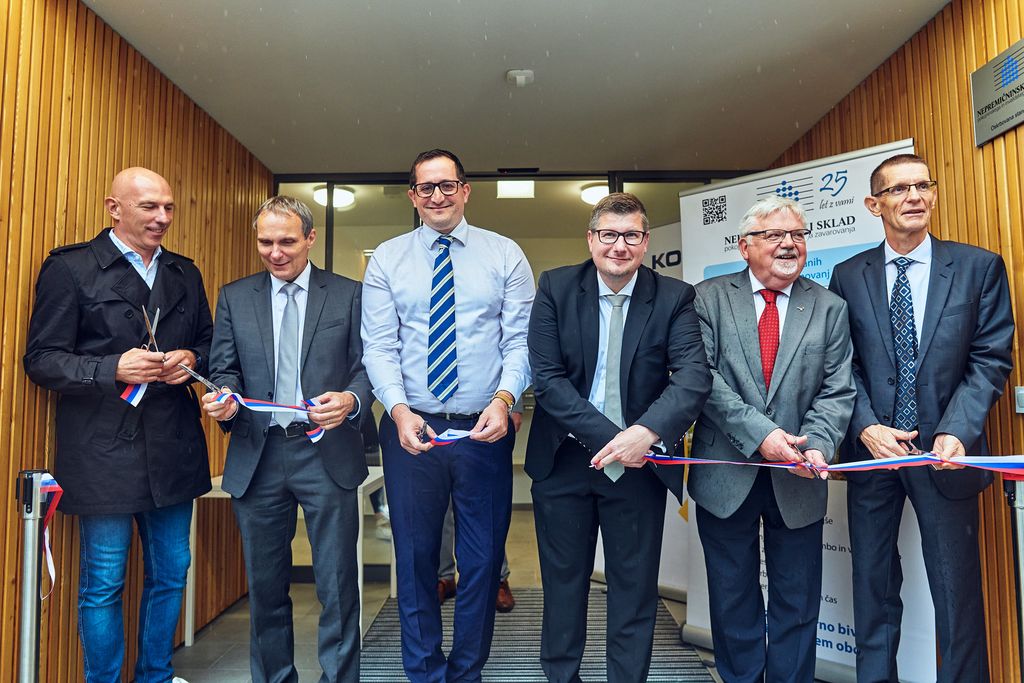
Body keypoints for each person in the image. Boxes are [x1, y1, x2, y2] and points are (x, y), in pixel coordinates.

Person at [829, 154, 1014, 683]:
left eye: (923, 186)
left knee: (956, 594)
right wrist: (866, 427)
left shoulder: (978, 267)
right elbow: (842, 365)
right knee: (873, 588)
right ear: (874, 204)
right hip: (873, 456)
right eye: (899, 189)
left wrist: (956, 430)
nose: (914, 196)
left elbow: (990, 358)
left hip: (946, 455)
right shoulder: (849, 275)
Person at [24, 167, 212, 683]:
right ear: (114, 208)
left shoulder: (184, 272)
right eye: (149, 206)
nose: (162, 217)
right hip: (102, 451)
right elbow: (42, 360)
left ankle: (156, 675)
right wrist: (112, 368)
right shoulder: (70, 268)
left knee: (172, 572)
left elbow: (209, 344)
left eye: (168, 207)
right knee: (104, 582)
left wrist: (190, 358)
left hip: (173, 447)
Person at [361, 149, 534, 681]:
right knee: (415, 557)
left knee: (482, 560)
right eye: (426, 187)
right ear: (413, 196)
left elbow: (521, 342)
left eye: (447, 185)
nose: (437, 196)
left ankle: (466, 670)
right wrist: (397, 410)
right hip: (411, 428)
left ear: (465, 190)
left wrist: (504, 401)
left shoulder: (504, 254)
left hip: (484, 429)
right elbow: (379, 346)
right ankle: (425, 671)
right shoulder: (387, 258)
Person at [527, 192, 711, 683]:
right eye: (609, 234)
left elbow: (692, 378)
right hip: (564, 461)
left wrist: (644, 435)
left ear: (645, 242)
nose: (619, 246)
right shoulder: (556, 288)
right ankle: (561, 676)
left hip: (639, 467)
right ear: (591, 239)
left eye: (631, 235)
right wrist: (616, 438)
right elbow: (548, 380)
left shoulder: (673, 297)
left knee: (634, 589)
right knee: (563, 587)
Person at [201, 196, 371, 683]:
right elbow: (224, 368)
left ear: (310, 239)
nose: (275, 253)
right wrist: (225, 398)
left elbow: (367, 367)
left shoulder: (348, 294)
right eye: (265, 242)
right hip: (259, 455)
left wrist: (351, 400)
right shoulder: (235, 296)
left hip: (326, 452)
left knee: (338, 586)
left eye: (287, 242)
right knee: (265, 587)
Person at [688, 196, 855, 682]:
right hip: (725, 474)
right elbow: (703, 379)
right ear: (745, 246)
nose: (789, 244)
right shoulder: (707, 298)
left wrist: (818, 442)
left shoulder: (829, 307)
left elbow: (837, 389)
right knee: (731, 596)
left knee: (798, 600)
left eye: (797, 235)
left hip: (799, 475)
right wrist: (763, 436)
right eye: (775, 235)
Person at [438, 403, 523, 613]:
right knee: (439, 506)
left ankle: (498, 578)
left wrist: (515, 405)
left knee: (486, 508)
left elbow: (513, 379)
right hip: (431, 416)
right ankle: (443, 577)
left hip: (485, 414)